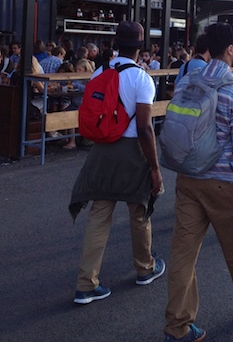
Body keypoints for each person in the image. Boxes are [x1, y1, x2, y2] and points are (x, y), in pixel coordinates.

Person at [164, 23, 233, 342]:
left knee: (183, 254)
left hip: (188, 179)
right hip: (224, 182)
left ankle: (178, 325)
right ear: (230, 49)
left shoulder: (187, 82)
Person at [69, 21, 165, 305]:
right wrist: (155, 167)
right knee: (139, 211)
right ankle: (145, 268)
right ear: (141, 46)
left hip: (102, 149)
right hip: (132, 151)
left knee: (100, 214)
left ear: (116, 43)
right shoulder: (141, 78)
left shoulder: (101, 71)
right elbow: (146, 128)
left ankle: (86, 283)